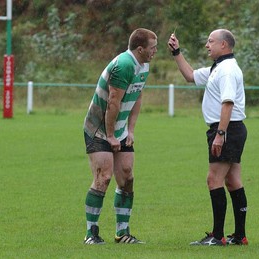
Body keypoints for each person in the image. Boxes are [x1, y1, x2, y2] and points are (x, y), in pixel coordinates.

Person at [168, 29, 248, 246]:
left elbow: (228, 103)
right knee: (232, 181)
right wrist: (177, 52)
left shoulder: (228, 70)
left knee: (214, 180)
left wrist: (220, 134)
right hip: (231, 129)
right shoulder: (218, 67)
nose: (207, 45)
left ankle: (217, 235)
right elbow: (191, 76)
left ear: (224, 45)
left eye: (210, 41)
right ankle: (239, 236)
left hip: (227, 129)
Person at [82, 28, 157, 244]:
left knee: (127, 177)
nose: (155, 52)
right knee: (103, 178)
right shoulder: (124, 65)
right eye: (152, 48)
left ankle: (122, 233)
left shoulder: (143, 66)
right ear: (140, 49)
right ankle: (91, 233)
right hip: (98, 128)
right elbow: (113, 101)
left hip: (120, 129)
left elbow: (137, 96)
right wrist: (111, 135)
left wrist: (130, 131)